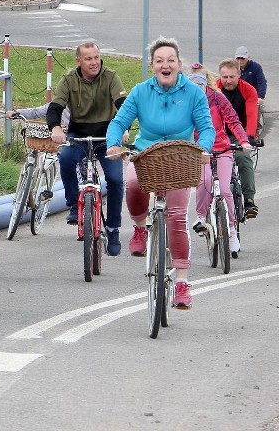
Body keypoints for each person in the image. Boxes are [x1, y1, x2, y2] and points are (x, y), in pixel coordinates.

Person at [106, 37, 215, 309]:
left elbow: (207, 127)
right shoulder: (141, 91)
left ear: (179, 64)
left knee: (177, 218)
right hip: (146, 154)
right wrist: (113, 144)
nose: (165, 65)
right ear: (152, 65)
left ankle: (181, 282)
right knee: (132, 184)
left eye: (171, 60)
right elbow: (119, 121)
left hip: (181, 157)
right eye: (159, 60)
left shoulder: (193, 93)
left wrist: (202, 148)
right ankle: (140, 229)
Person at [47, 42, 127, 256]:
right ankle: (74, 203)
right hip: (79, 135)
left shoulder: (111, 77)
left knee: (116, 180)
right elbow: (55, 107)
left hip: (108, 136)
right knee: (65, 157)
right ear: (79, 61)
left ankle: (113, 228)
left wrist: (123, 129)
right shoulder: (69, 80)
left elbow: (123, 104)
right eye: (88, 58)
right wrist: (56, 128)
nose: (94, 63)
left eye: (96, 57)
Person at [188, 64, 250, 259]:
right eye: (192, 84)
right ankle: (200, 217)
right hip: (200, 150)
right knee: (205, 181)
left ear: (206, 83)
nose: (196, 88)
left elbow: (233, 120)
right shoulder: (185, 101)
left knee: (224, 189)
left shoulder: (217, 98)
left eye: (200, 84)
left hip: (222, 147)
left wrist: (244, 141)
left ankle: (231, 229)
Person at [216, 58, 260, 219]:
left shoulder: (248, 90)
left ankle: (249, 200)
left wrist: (248, 138)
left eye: (232, 77)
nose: (228, 81)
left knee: (243, 158)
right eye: (225, 77)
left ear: (239, 75)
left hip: (238, 134)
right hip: (217, 133)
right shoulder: (214, 90)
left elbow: (251, 115)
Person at [235, 46, 267, 138]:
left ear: (248, 57)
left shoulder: (255, 67)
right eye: (238, 58)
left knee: (254, 111)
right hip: (238, 96)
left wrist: (260, 97)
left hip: (252, 97)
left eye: (242, 58)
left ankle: (254, 134)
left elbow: (262, 82)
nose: (240, 61)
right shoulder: (233, 67)